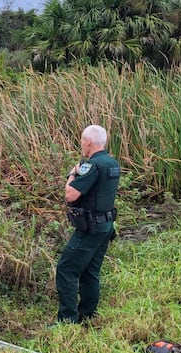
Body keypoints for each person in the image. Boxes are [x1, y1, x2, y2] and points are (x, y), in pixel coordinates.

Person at [54, 125, 120, 325]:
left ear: (88, 142)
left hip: (90, 228)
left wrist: (72, 174)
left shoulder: (92, 165)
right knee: (91, 271)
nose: (81, 144)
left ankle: (67, 320)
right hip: (106, 226)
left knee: (66, 269)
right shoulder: (112, 163)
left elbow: (71, 195)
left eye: (82, 141)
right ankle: (88, 315)